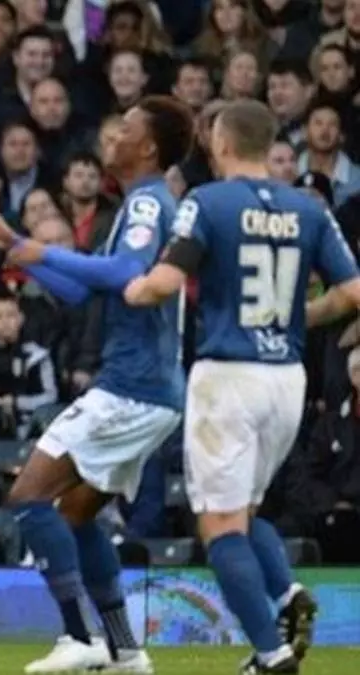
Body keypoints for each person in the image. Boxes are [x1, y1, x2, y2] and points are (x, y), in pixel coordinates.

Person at [124, 99, 360, 675]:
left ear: (222, 144)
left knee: (218, 525)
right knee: (245, 511)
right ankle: (285, 593)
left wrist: (130, 290)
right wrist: (303, 316)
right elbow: (354, 292)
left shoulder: (206, 202)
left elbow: (165, 281)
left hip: (227, 374)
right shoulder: (307, 208)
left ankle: (270, 653)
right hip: (287, 378)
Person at [0, 95, 196, 674]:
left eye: (126, 130)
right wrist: (14, 246)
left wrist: (40, 248)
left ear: (148, 147)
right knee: (75, 513)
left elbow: (124, 272)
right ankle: (124, 650)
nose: (112, 137)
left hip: (131, 386)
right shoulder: (136, 205)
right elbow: (82, 291)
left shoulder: (147, 203)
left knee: (28, 497)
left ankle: (76, 636)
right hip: (152, 391)